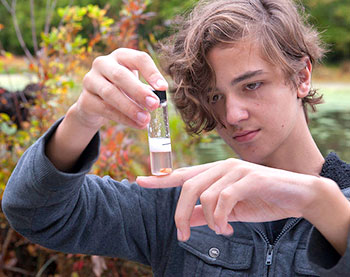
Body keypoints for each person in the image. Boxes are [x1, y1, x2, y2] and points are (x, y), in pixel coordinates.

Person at [3, 0, 350, 276]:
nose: (231, 115)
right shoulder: (181, 205)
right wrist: (82, 117)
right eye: (215, 96)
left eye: (252, 85)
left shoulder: (338, 204)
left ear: (302, 76)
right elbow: (36, 212)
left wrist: (319, 203)